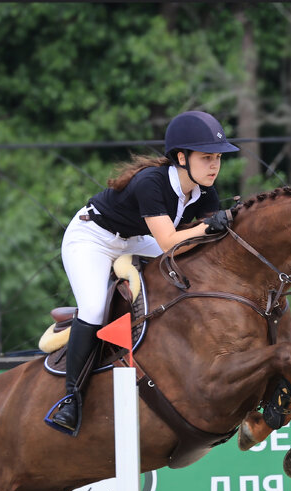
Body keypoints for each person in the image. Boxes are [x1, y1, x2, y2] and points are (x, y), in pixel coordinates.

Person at [45, 110, 239, 436]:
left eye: (217, 158)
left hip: (136, 240)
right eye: (206, 158)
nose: (215, 166)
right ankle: (71, 400)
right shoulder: (151, 183)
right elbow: (169, 242)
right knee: (93, 309)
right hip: (93, 239)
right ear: (181, 157)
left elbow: (198, 248)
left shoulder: (206, 193)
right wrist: (208, 226)